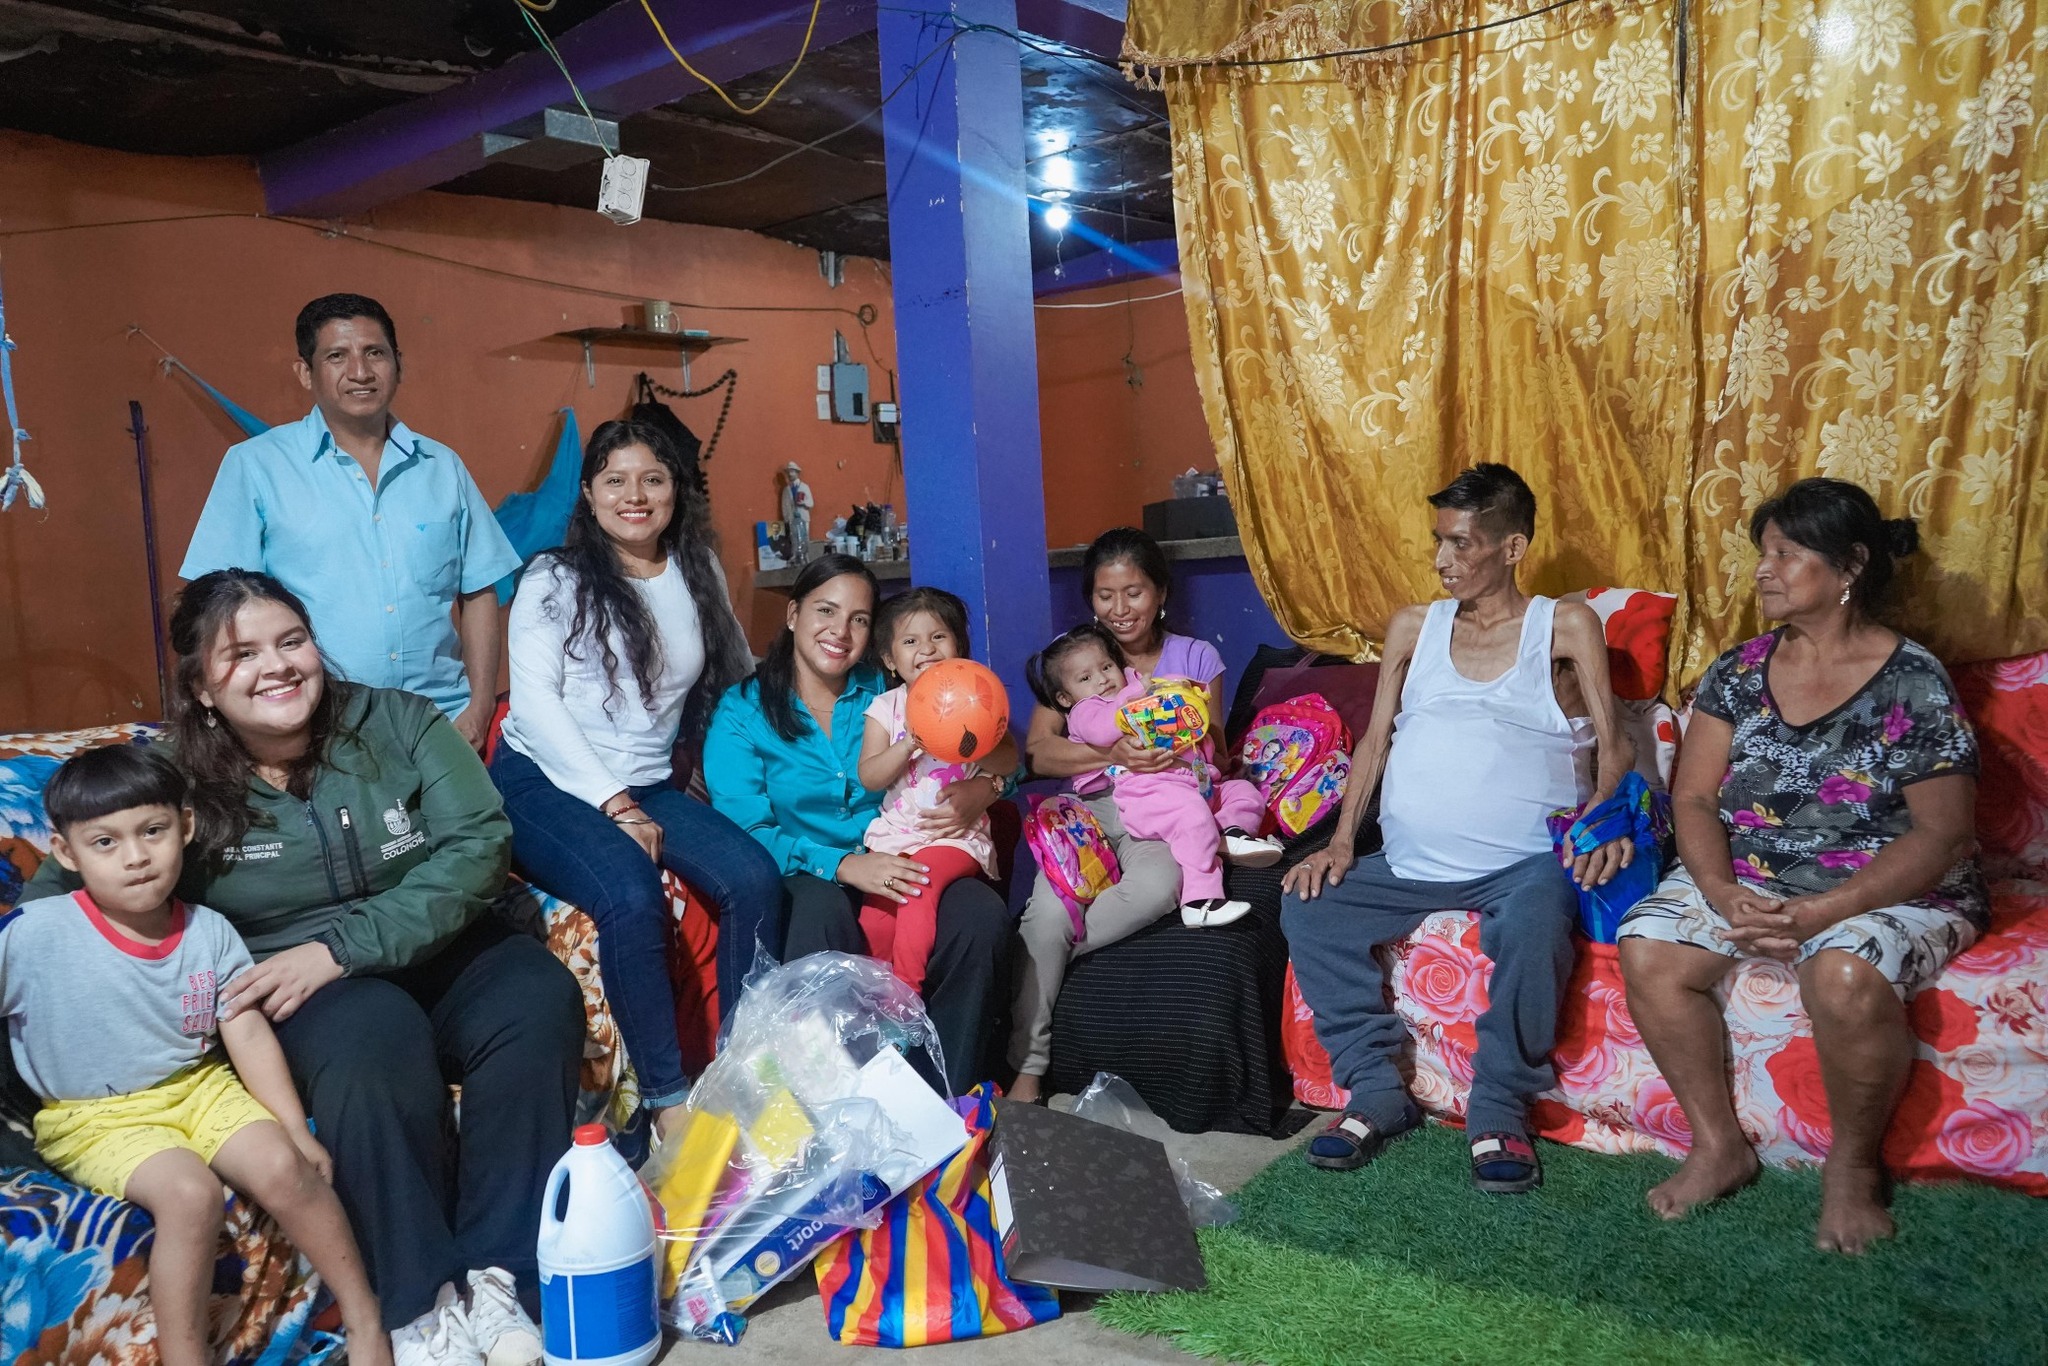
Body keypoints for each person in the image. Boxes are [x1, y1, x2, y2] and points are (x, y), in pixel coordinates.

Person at [22, 570, 584, 1366]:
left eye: (291, 642)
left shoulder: (396, 721)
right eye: (242, 654)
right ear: (203, 688)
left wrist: (344, 947)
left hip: (439, 937)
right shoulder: (171, 773)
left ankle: (501, 1279)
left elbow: (480, 842)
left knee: (537, 999)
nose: (277, 666)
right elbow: (63, 890)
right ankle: (418, 1306)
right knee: (372, 1043)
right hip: (292, 977)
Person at [1618, 478, 1985, 1254]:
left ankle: (1851, 1170)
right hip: (1752, 878)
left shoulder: (1913, 680)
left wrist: (1825, 912)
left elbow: (1943, 834)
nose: (1764, 569)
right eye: (1764, 552)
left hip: (1886, 885)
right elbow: (1694, 797)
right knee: (1648, 947)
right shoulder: (1738, 671)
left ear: (1849, 565)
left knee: (1843, 974)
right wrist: (1721, 891)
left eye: (1786, 553)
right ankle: (1718, 1145)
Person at [1281, 464, 1634, 1194]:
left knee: (1537, 920)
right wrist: (1339, 843)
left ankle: (1498, 1106)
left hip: (1523, 863)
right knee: (1309, 905)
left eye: (1461, 543)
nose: (1442, 559)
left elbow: (1615, 744)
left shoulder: (1564, 625)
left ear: (1512, 548)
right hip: (1408, 863)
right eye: (1438, 541)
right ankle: (1375, 1089)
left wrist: (1601, 819)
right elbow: (1374, 742)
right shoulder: (1415, 627)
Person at [10, 746, 389, 1366]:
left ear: (184, 827)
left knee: (282, 1164)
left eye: (152, 831)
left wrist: (294, 1128)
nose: (136, 857)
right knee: (190, 1194)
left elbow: (246, 1033)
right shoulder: (35, 931)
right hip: (96, 1118)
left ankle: (366, 1318)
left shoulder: (209, 931)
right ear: (65, 852)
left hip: (200, 1087)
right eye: (105, 843)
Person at [490, 419, 778, 1136]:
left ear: (676, 490)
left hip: (647, 782)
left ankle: (741, 1068)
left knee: (754, 879)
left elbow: (737, 672)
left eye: (653, 478)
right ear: (589, 494)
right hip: (543, 782)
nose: (635, 495)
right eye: (615, 481)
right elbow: (536, 705)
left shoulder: (697, 569)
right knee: (629, 890)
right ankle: (666, 1102)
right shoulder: (553, 578)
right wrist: (616, 805)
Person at [703, 556, 1012, 1096]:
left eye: (860, 619)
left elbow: (998, 742)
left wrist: (984, 789)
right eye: (826, 611)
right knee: (819, 916)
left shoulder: (895, 686)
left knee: (978, 916)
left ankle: (945, 1096)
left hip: (910, 853)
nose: (840, 632)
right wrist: (844, 865)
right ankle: (837, 1103)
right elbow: (744, 829)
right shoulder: (744, 711)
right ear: (793, 615)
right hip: (807, 868)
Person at [181, 293, 521, 750]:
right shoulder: (256, 466)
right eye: (336, 356)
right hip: (316, 729)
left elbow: (478, 590)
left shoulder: (443, 467)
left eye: (374, 353)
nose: (360, 372)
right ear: (306, 372)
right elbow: (218, 605)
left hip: (442, 721)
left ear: (398, 364)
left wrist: (478, 707)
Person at [1010, 527, 1245, 1105]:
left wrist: (1181, 728)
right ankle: (1028, 1067)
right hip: (1087, 811)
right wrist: (1111, 752)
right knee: (1046, 914)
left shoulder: (1195, 657)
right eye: (1105, 595)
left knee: (1159, 887)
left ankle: (1045, 957)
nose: (1119, 609)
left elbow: (1216, 747)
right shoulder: (1075, 657)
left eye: (1134, 592)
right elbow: (1037, 754)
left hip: (1162, 803)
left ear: (1160, 592)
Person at [1026, 622, 1279, 928]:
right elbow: (1105, 727)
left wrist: (1181, 688)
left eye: (1106, 667)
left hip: (1197, 781)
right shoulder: (1086, 711)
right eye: (1086, 677)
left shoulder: (1138, 684)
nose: (1102, 679)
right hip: (1149, 791)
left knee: (1243, 793)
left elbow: (1175, 701)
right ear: (1065, 698)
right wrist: (1138, 695)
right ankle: (1200, 900)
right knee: (1193, 817)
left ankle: (1229, 833)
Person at [855, 587, 1018, 993]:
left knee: (918, 888)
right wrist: (909, 742)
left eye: (938, 637)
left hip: (955, 837)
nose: (926, 649)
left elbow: (1008, 762)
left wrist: (975, 732)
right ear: (890, 659)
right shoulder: (886, 708)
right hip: (897, 836)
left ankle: (905, 995)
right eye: (910, 641)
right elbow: (870, 776)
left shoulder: (977, 697)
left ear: (958, 646)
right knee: (874, 920)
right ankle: (875, 998)